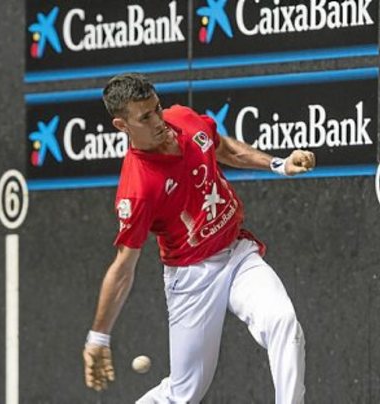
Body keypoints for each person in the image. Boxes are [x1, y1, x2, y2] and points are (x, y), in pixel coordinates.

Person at [82, 73, 315, 403]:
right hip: (192, 278)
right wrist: (98, 337)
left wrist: (279, 164)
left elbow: (224, 148)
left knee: (283, 321)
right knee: (184, 394)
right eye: (145, 117)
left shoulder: (183, 119)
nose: (158, 120)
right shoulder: (138, 189)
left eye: (157, 108)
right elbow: (123, 267)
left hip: (237, 253)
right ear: (122, 125)